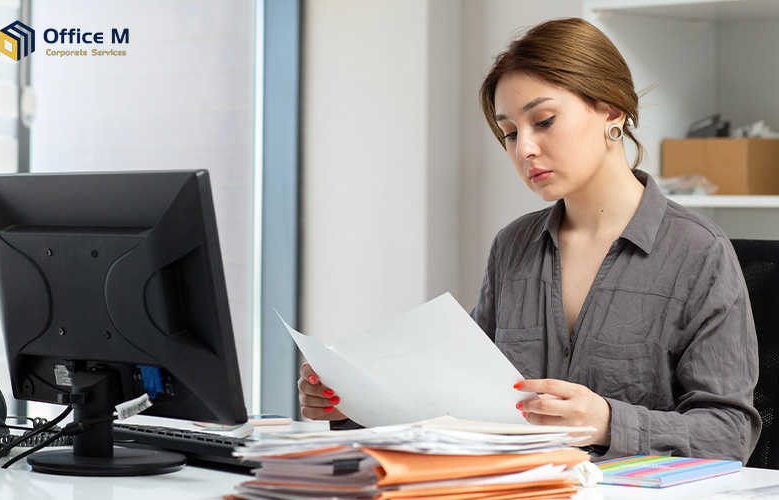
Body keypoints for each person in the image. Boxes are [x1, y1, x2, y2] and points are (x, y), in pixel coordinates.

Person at [297, 17, 761, 462]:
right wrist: (354, 407)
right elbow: (460, 400)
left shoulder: (700, 252)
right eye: (510, 132)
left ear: (612, 111)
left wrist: (606, 422)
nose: (524, 150)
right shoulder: (513, 246)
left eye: (543, 121)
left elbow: (730, 434)